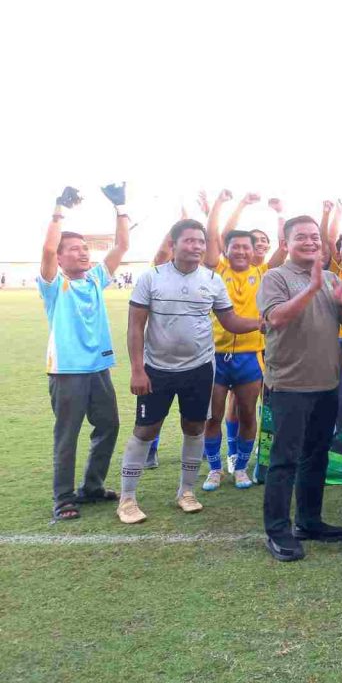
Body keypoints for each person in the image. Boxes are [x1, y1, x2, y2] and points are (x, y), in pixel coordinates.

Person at [116, 219, 259, 525]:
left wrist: (263, 322)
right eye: (189, 240)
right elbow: (135, 327)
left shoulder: (212, 279)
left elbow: (231, 321)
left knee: (194, 428)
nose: (196, 246)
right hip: (157, 370)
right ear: (174, 243)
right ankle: (127, 498)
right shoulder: (151, 278)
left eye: (201, 241)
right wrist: (138, 370)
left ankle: (186, 492)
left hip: (199, 369)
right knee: (145, 430)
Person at [256, 216, 342, 561]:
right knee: (284, 460)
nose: (311, 242)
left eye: (315, 237)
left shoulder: (331, 278)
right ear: (286, 244)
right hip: (289, 385)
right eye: (302, 237)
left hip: (326, 384)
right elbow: (276, 318)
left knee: (316, 456)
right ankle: (277, 531)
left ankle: (309, 521)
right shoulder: (275, 277)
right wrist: (312, 288)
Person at [38, 183, 129, 520]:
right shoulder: (54, 285)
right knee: (68, 435)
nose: (83, 253)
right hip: (67, 371)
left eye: (85, 248)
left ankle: (91, 487)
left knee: (109, 425)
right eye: (74, 249)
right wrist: (59, 209)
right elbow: (47, 250)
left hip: (97, 368)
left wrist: (120, 207)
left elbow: (121, 245)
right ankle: (63, 498)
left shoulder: (94, 279)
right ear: (61, 258)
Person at [199, 191, 267, 490]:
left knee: (248, 414)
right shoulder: (218, 269)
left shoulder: (263, 272)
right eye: (234, 246)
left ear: (254, 251)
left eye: (245, 247)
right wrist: (222, 204)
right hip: (215, 356)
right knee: (212, 416)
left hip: (250, 356)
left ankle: (241, 468)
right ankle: (215, 469)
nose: (240, 251)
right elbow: (212, 233)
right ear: (225, 249)